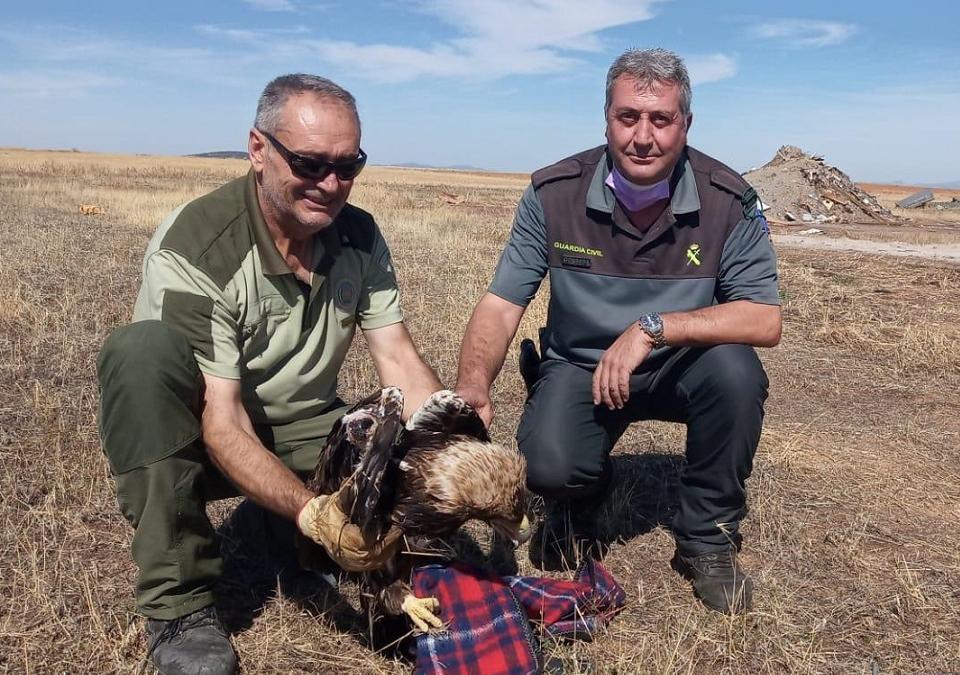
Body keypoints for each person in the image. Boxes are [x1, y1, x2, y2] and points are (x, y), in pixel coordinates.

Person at [96, 74, 442, 675]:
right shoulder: (199, 248)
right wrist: (315, 514)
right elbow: (221, 421)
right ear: (259, 150)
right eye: (309, 164)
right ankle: (178, 605)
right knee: (140, 353)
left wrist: (457, 448)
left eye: (349, 165)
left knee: (395, 478)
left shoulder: (359, 234)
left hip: (311, 428)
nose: (331, 185)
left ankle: (283, 527)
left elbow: (400, 361)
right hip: (203, 431)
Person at [455, 48, 781, 615]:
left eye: (662, 119)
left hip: (681, 363)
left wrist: (654, 329)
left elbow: (764, 318)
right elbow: (502, 303)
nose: (643, 136)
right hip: (582, 367)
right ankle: (587, 489)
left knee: (736, 372)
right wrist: (473, 387)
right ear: (606, 117)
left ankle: (707, 537)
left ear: (686, 124)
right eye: (628, 117)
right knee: (551, 467)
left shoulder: (727, 199)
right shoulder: (552, 193)